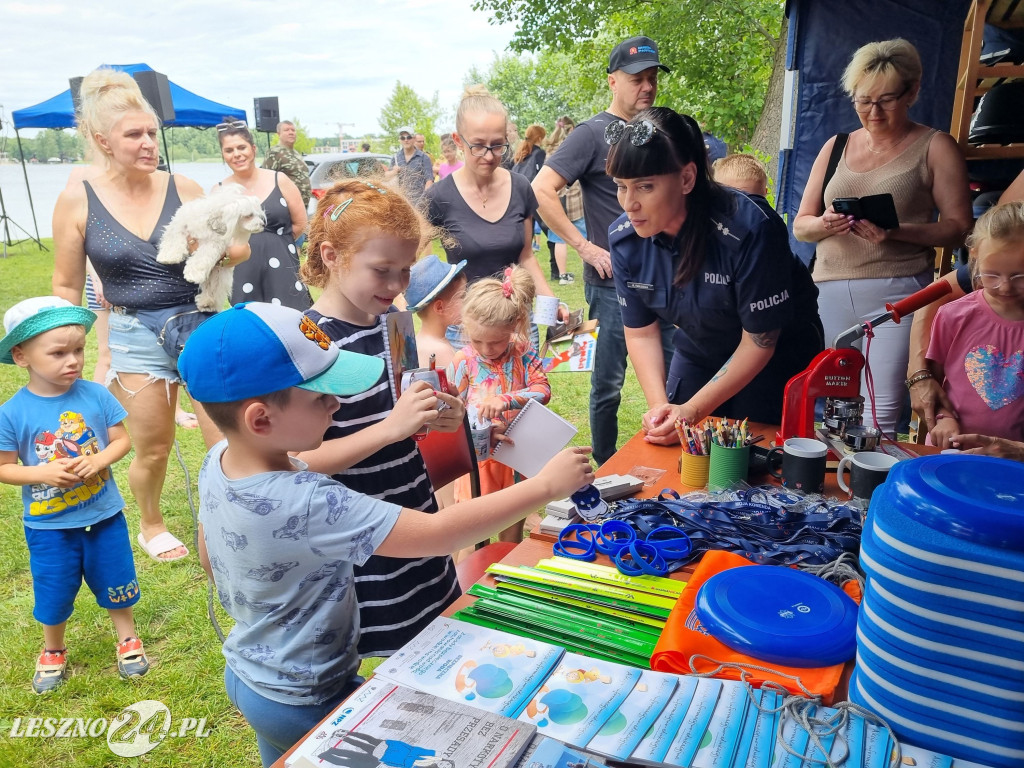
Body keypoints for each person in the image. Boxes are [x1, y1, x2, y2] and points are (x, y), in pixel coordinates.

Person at [182, 301, 593, 766]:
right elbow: (438, 534)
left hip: (250, 674)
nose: (337, 404)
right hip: (309, 694)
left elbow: (208, 559)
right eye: (322, 397)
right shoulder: (309, 499)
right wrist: (544, 486)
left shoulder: (218, 464)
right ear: (261, 420)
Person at [52, 68, 250, 562]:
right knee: (154, 448)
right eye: (134, 135)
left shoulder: (181, 185)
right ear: (103, 140)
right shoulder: (78, 199)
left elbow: (239, 246)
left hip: (198, 324)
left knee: (224, 437)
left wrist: (214, 251)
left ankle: (226, 521)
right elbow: (65, 284)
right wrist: (66, 343)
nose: (148, 144)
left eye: (151, 133)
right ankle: (152, 523)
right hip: (132, 333)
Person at [297, 178, 468, 659]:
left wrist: (441, 414)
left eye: (405, 271)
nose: (396, 286)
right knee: (382, 651)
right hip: (357, 536)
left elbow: (406, 408)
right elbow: (300, 462)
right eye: (382, 270)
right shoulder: (310, 342)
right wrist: (390, 427)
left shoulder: (392, 323)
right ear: (332, 257)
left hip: (413, 509)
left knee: (430, 635)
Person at [606, 108, 824, 437]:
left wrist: (692, 410)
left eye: (645, 187)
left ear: (687, 178)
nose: (629, 204)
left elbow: (759, 342)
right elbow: (641, 332)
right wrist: (660, 409)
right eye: (621, 186)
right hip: (700, 348)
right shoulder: (624, 239)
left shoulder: (751, 229)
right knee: (680, 447)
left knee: (750, 459)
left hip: (775, 355)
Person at [793, 38, 971, 435]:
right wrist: (826, 224)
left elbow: (960, 227)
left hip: (899, 292)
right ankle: (829, 493)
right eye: (862, 100)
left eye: (886, 100)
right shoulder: (836, 145)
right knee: (831, 405)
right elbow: (801, 224)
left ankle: (872, 494)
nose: (873, 112)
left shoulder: (934, 146)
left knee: (881, 411)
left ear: (913, 91)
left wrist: (894, 232)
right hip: (828, 288)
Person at [534, 36, 678, 464]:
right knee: (608, 383)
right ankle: (605, 465)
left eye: (652, 78)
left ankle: (674, 459)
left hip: (671, 282)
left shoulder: (660, 131)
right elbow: (542, 189)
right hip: (613, 283)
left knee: (676, 379)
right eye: (637, 79)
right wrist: (585, 247)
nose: (647, 86)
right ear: (613, 81)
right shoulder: (591, 134)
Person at [0, 297, 149, 693]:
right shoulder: (13, 412)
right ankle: (53, 649)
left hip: (103, 516)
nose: (74, 361)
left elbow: (122, 441)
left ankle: (127, 638)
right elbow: (4, 467)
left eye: (79, 350)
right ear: (21, 356)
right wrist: (41, 472)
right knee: (53, 588)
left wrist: (99, 459)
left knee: (116, 579)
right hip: (50, 527)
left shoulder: (96, 395)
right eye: (58, 353)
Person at [423, 86, 563, 339]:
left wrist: (551, 306)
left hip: (518, 323)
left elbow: (527, 257)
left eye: (498, 146)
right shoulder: (438, 197)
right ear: (458, 141)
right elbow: (421, 263)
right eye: (478, 146)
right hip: (466, 330)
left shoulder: (520, 187)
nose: (489, 156)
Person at [907, 170, 1024, 431]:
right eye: (992, 275)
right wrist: (943, 418)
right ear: (974, 258)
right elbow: (935, 383)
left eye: (1019, 276)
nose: (1005, 287)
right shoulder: (954, 315)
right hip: (953, 450)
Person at [449, 266, 551, 542]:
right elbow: (451, 410)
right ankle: (466, 583)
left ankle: (505, 576)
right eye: (476, 340)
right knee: (471, 534)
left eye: (494, 342)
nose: (485, 349)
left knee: (513, 524)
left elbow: (543, 390)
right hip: (479, 456)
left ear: (515, 324)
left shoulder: (523, 351)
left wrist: (504, 400)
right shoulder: (463, 361)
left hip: (516, 453)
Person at [217, 121, 312, 310]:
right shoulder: (219, 191)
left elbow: (300, 223)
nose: (237, 154)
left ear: (253, 149)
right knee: (251, 327)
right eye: (229, 150)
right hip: (243, 272)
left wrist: (276, 243)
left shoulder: (280, 180)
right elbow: (218, 238)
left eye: (241, 147)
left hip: (284, 267)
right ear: (223, 155)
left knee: (294, 323)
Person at [405, 253, 468, 369]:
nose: (467, 302)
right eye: (462, 296)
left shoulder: (419, 342)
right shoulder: (441, 351)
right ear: (439, 307)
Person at [542, 116, 585, 284]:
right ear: (572, 130)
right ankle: (588, 273)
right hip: (574, 201)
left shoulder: (550, 150)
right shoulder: (573, 148)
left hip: (555, 200)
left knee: (559, 238)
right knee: (584, 237)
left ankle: (562, 276)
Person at [262, 120, 312, 209]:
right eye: (286, 130)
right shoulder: (274, 153)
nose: (291, 133)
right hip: (286, 206)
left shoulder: (296, 153)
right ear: (279, 134)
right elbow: (267, 180)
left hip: (301, 205)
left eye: (293, 130)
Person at [391, 127, 433, 204]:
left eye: (409, 137)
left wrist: (424, 200)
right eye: (403, 138)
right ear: (400, 140)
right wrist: (394, 171)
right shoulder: (396, 157)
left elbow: (429, 180)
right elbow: (386, 177)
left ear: (414, 139)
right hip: (402, 202)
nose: (406, 140)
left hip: (419, 202)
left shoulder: (424, 157)